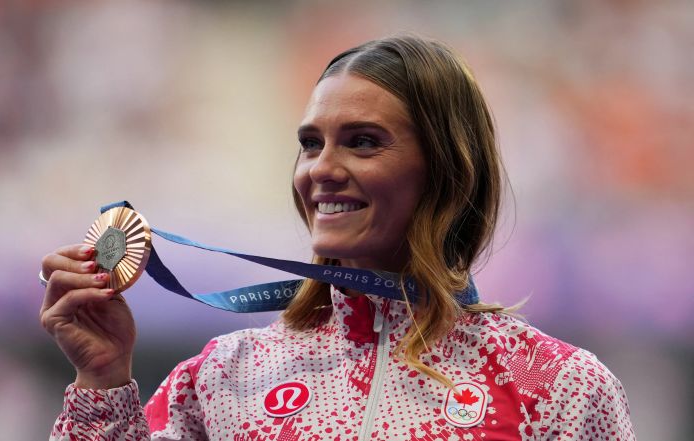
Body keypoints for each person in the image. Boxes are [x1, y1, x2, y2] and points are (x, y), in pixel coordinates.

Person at [40, 35, 635, 440]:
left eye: (363, 142)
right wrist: (102, 379)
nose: (320, 168)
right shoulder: (221, 379)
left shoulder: (559, 389)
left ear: (448, 168)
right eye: (310, 143)